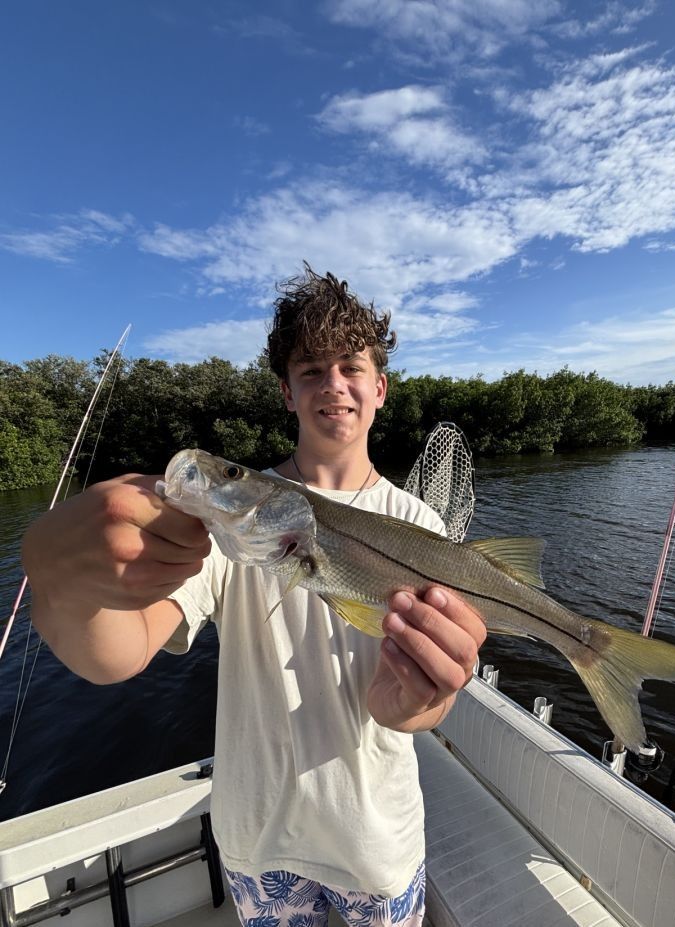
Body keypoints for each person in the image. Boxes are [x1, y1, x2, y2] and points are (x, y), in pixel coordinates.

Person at [22, 265, 487, 927]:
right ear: (285, 392)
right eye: (311, 368)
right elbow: (115, 654)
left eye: (351, 367)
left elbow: (425, 707)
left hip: (377, 840)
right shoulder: (231, 521)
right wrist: (56, 575)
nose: (333, 384)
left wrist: (419, 704)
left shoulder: (424, 527)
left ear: (380, 388)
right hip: (260, 845)